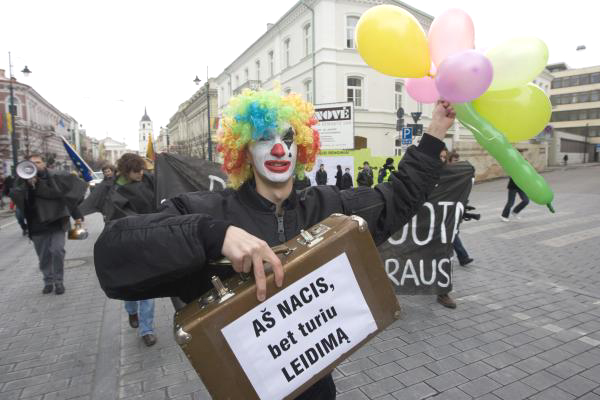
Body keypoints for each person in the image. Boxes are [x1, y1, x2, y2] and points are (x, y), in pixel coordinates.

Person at [94, 90, 454, 399]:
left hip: (316, 386)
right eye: (266, 138)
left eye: (288, 138)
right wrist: (213, 235)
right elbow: (114, 253)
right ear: (245, 150)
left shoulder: (328, 206)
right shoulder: (206, 209)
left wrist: (436, 131)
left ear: (302, 149)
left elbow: (397, 197)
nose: (280, 148)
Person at [9, 154, 85, 294]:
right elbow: (20, 201)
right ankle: (48, 280)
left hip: (57, 220)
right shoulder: (22, 181)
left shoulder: (55, 177)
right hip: (37, 224)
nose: (35, 165)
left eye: (38, 162)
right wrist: (29, 186)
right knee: (43, 256)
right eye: (32, 163)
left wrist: (77, 217)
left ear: (44, 164)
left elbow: (65, 197)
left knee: (57, 251)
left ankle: (59, 282)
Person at [447, 151, 473, 267]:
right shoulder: (446, 174)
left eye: (458, 160)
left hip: (455, 208)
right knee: (452, 232)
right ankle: (463, 256)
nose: (457, 163)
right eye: (454, 161)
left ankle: (462, 256)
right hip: (446, 209)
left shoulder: (458, 174)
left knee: (452, 232)